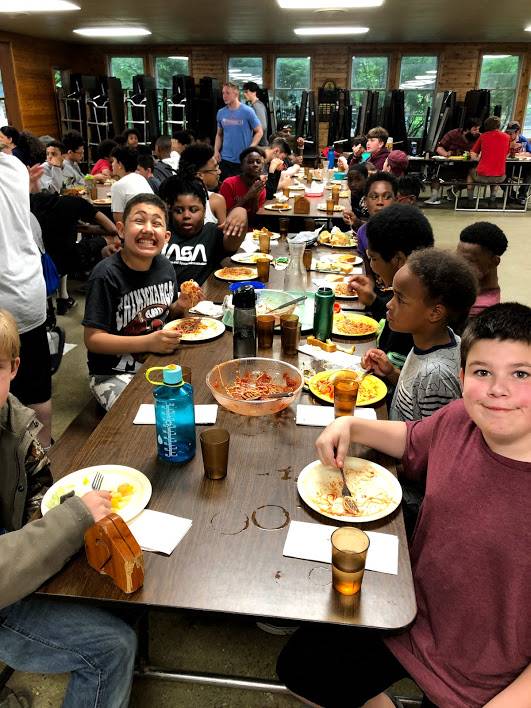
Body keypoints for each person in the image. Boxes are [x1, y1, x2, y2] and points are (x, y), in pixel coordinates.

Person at [279, 302, 531, 708]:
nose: (498, 389)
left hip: (481, 677)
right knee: (301, 667)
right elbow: (411, 437)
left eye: (521, 374)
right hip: (408, 613)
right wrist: (350, 424)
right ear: (463, 377)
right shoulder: (460, 420)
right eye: (483, 372)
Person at [0, 309, 137, 708]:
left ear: (14, 368)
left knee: (123, 587)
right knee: (112, 648)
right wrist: (73, 518)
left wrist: (60, 516)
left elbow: (38, 491)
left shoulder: (14, 421)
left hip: (16, 560)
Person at [83, 194, 191, 410]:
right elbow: (93, 339)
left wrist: (179, 306)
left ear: (166, 236)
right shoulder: (105, 275)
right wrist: (148, 342)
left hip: (156, 361)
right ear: (121, 230)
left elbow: (162, 316)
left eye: (157, 223)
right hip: (112, 374)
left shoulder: (165, 267)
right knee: (150, 416)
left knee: (189, 401)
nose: (148, 229)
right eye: (140, 221)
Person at [365, 248, 477, 422]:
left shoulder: (436, 375)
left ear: (435, 313)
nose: (389, 305)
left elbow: (432, 442)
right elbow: (415, 396)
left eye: (400, 299)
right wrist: (391, 372)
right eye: (392, 294)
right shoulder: (436, 340)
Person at [0, 152, 52, 448]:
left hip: (5, 297)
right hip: (29, 291)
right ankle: (42, 460)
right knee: (36, 389)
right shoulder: (13, 166)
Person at [348, 204, 434, 377]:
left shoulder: (420, 312)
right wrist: (372, 300)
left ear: (398, 260)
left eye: (373, 258)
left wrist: (391, 373)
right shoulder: (411, 294)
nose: (371, 265)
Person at [159, 174, 246, 286]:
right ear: (171, 211)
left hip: (201, 299)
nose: (186, 215)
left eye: (193, 210)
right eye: (179, 210)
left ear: (204, 210)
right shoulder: (161, 233)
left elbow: (233, 243)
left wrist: (240, 212)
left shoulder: (212, 232)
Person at [177, 143, 248, 235]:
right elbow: (224, 239)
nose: (219, 171)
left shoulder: (174, 197)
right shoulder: (216, 200)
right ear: (200, 175)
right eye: (215, 167)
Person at [424, 117, 481, 205]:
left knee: (473, 176)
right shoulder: (453, 134)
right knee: (437, 174)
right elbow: (439, 148)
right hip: (451, 164)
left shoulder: (479, 137)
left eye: (478, 129)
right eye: (474, 129)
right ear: (466, 129)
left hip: (469, 166)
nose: (477, 131)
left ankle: (455, 192)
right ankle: (434, 197)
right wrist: (446, 154)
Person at [457, 222, 508, 317]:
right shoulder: (467, 288)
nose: (460, 265)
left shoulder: (479, 310)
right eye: (458, 258)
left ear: (494, 262)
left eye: (469, 261)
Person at [214, 82, 263, 180]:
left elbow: (259, 131)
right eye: (223, 93)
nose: (224, 96)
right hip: (225, 159)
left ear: (236, 94)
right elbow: (219, 134)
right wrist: (216, 151)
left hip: (243, 160)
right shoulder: (221, 113)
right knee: (226, 190)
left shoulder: (248, 111)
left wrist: (251, 148)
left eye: (228, 93)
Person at [345, 171, 397, 259]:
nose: (380, 202)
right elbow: (364, 267)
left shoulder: (404, 232)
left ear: (396, 200)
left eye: (387, 197)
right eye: (374, 197)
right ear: (365, 202)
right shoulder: (362, 232)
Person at [468, 115, 510, 203]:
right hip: (500, 176)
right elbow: (507, 154)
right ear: (499, 126)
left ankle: (470, 200)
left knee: (470, 172)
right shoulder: (507, 137)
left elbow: (473, 154)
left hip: (482, 176)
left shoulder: (483, 136)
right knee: (495, 176)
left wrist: (479, 159)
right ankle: (492, 199)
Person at [219, 146, 267, 221]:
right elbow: (226, 215)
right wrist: (248, 196)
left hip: (252, 230)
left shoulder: (260, 187)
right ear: (241, 166)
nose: (255, 165)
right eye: (250, 162)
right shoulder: (229, 183)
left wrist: (255, 198)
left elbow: (255, 219)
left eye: (258, 162)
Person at [110, 146, 154, 223]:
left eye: (113, 161)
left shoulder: (118, 186)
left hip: (136, 228)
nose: (112, 164)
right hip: (151, 222)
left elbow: (118, 220)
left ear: (120, 164)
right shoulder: (141, 178)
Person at [243, 81, 268, 146]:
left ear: (254, 92)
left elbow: (263, 127)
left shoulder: (257, 106)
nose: (244, 94)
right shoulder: (253, 105)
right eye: (244, 92)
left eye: (246, 92)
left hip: (259, 145)